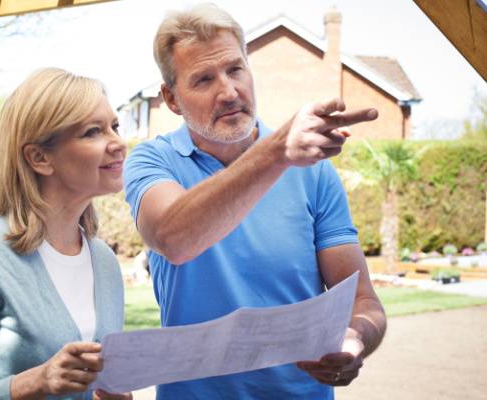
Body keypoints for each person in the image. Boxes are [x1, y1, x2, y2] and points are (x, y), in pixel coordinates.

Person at [123, 4, 387, 399]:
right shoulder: (153, 161)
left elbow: (362, 299)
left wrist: (355, 340)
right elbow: (173, 238)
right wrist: (278, 151)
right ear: (172, 99)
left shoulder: (313, 171)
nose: (228, 92)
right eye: (203, 79)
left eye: (235, 69)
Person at [0, 68, 132, 400]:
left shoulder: (103, 259)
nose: (118, 143)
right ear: (39, 157)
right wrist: (36, 382)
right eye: (93, 132)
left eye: (114, 127)